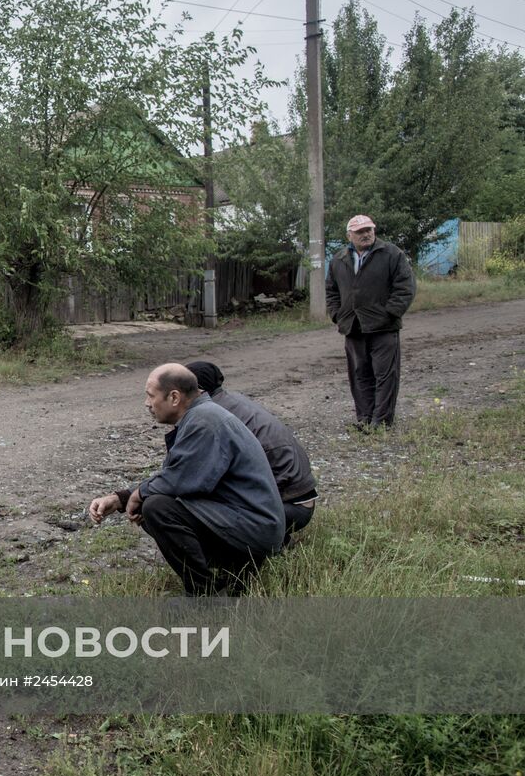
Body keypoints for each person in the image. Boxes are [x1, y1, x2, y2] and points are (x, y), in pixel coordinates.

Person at [87, 364, 284, 596]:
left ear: (174, 397)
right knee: (155, 501)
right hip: (248, 522)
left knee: (158, 507)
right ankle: (232, 573)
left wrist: (138, 495)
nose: (146, 403)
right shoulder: (201, 415)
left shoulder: (205, 421)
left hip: (256, 529)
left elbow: (179, 481)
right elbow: (174, 475)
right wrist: (121, 498)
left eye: (151, 396)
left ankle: (205, 594)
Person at [185, 361, 318, 542]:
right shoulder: (231, 400)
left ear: (198, 390)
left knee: (185, 505)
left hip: (289, 508)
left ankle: (256, 548)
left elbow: (197, 476)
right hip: (299, 502)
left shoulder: (213, 416)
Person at [325, 214, 417, 429]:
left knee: (385, 376)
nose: (365, 234)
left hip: (383, 327)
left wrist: (390, 313)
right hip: (353, 326)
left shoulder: (392, 254)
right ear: (349, 235)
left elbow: (405, 287)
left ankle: (382, 422)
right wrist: (337, 314)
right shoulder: (339, 259)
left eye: (369, 230)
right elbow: (331, 291)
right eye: (359, 232)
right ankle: (365, 419)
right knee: (360, 375)